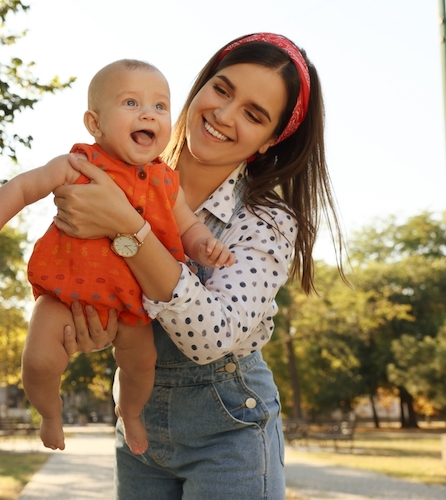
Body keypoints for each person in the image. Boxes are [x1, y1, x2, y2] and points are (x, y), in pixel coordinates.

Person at [54, 33, 345, 499]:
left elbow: (210, 337)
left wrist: (129, 229)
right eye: (222, 90)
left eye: (253, 114)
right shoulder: (120, 177)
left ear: (271, 139)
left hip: (230, 431)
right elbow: (98, 287)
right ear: (201, 85)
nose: (224, 116)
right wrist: (93, 328)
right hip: (139, 426)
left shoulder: (267, 222)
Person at [0, 59, 235, 454]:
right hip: (64, 294)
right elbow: (21, 188)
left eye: (160, 106)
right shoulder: (78, 164)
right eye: (131, 103)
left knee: (139, 365)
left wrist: (205, 245)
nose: (148, 113)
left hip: (130, 305)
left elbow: (187, 227)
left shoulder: (165, 182)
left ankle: (130, 412)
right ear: (95, 124)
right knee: (39, 361)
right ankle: (50, 412)